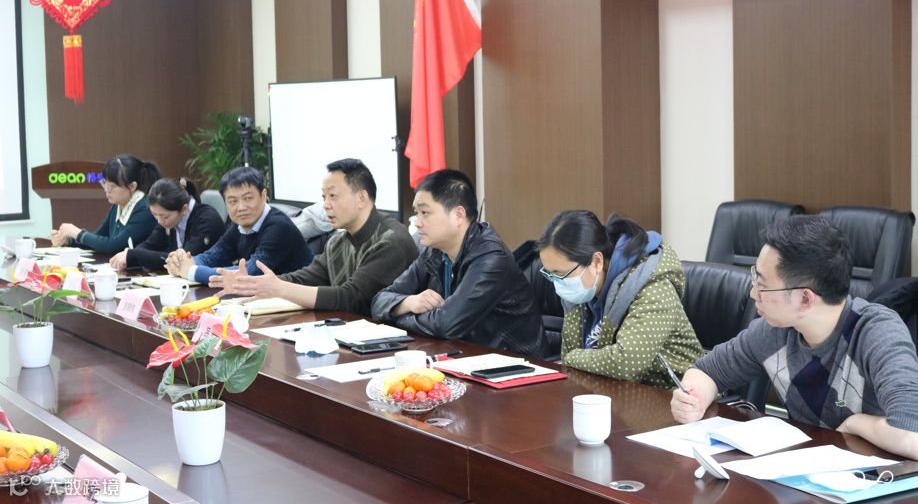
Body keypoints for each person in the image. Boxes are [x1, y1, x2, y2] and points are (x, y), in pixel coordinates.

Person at [671, 215, 918, 461]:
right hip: (805, 467)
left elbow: (910, 433)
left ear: (805, 299)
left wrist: (856, 424)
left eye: (762, 285)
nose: (753, 293)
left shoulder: (877, 333)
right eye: (754, 279)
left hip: (879, 476)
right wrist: (693, 398)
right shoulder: (774, 331)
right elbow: (707, 371)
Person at [372, 169, 548, 358]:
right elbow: (379, 301)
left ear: (458, 215)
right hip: (463, 357)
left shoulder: (491, 258)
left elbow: (445, 324)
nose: (417, 223)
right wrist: (409, 302)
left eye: (425, 213)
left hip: (515, 365)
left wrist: (397, 315)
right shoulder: (433, 251)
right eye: (417, 213)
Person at [209, 159, 418, 316]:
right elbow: (307, 277)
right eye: (323, 197)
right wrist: (254, 283)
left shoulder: (391, 241)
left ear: (361, 198)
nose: (325, 205)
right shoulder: (338, 241)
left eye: (333, 196)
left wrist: (279, 288)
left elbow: (352, 297)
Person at [538, 210, 703, 389]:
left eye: (561, 274)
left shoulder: (653, 286)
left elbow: (628, 362)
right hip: (613, 393)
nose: (557, 283)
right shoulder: (581, 292)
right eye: (550, 274)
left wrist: (573, 358)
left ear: (596, 261)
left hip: (675, 396)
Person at [165, 167, 312, 284]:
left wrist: (190, 271)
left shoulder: (278, 227)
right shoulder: (239, 225)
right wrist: (181, 262)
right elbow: (213, 256)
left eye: (248, 198)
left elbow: (248, 274)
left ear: (263, 196)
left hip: (302, 303)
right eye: (233, 201)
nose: (241, 207)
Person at [51, 154, 161, 254]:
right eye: (105, 184)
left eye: (112, 186)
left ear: (132, 186)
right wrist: (68, 240)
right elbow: (98, 239)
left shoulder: (145, 209)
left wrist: (79, 234)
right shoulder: (118, 205)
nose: (106, 190)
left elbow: (115, 246)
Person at [109, 177, 226, 271]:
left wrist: (135, 255)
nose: (160, 221)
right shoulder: (168, 219)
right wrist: (130, 255)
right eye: (155, 215)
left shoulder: (206, 220)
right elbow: (150, 245)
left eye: (164, 216)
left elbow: (183, 261)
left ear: (184, 209)